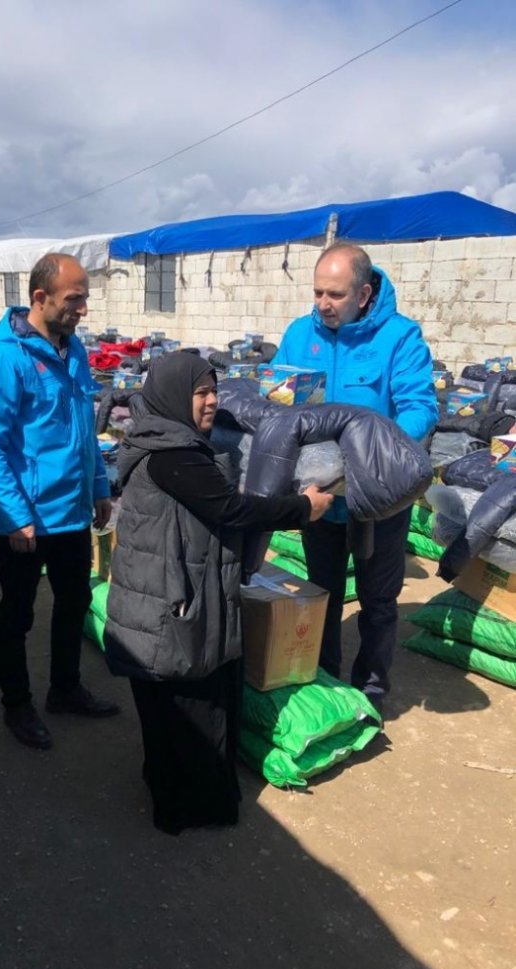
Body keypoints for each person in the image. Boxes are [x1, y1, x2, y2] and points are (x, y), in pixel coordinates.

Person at [104, 351, 333, 835]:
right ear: (172, 396)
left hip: (166, 598)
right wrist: (302, 507)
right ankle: (190, 807)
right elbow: (232, 508)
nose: (211, 402)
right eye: (200, 393)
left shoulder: (163, 441)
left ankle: (174, 791)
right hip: (173, 607)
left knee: (174, 708)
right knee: (189, 707)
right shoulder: (174, 456)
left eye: (214, 392)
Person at [272, 242, 438, 717]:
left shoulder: (400, 338)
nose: (322, 303)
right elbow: (278, 399)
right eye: (317, 292)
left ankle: (370, 689)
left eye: (335, 294)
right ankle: (323, 677)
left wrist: (369, 453)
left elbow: (420, 407)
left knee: (378, 599)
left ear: (364, 294)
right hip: (319, 496)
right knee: (320, 591)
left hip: (378, 498)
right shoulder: (301, 334)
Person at [0, 253, 120, 751]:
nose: (82, 309)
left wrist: (99, 486)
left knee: (74, 602)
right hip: (26, 520)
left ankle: (65, 688)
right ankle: (17, 704)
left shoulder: (73, 351)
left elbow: (84, 431)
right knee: (18, 612)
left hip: (72, 512)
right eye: (74, 298)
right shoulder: (4, 360)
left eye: (84, 298)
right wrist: (14, 516)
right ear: (40, 297)